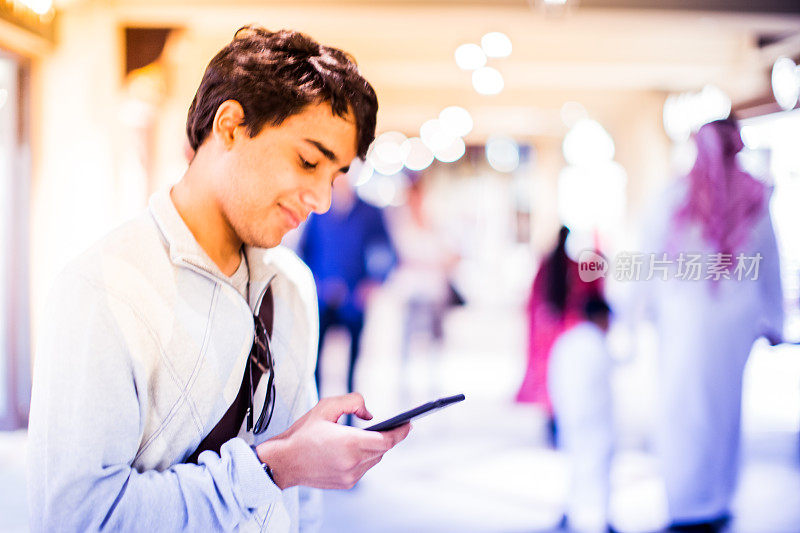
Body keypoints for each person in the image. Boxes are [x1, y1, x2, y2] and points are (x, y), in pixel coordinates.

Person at [27, 26, 411, 532]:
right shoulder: (102, 289)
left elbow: (298, 506)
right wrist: (276, 466)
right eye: (308, 161)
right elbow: (79, 518)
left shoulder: (290, 288)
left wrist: (296, 468)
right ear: (230, 126)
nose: (320, 199)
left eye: (333, 177)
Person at [636, 118, 783, 532]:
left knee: (697, 406)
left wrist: (629, 315)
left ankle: (701, 495)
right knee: (704, 407)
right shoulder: (740, 195)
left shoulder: (681, 195)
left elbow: (646, 257)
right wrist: (774, 318)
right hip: (715, 323)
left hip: (705, 323)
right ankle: (700, 495)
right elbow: (769, 264)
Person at [298, 173, 396, 403]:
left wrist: (374, 282)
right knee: (315, 361)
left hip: (354, 300)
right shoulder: (319, 214)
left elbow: (385, 252)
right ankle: (317, 408)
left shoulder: (370, 213)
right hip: (324, 299)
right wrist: (318, 284)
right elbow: (304, 253)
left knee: (353, 364)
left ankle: (351, 411)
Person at [515, 225, 602, 444]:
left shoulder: (550, 265)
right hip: (566, 334)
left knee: (553, 392)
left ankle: (555, 429)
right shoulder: (572, 267)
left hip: (550, 337)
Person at [549, 298, 615, 533]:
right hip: (595, 419)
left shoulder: (567, 341)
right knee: (598, 468)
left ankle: (573, 512)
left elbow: (554, 378)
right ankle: (597, 520)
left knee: (576, 465)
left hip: (570, 415)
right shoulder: (596, 343)